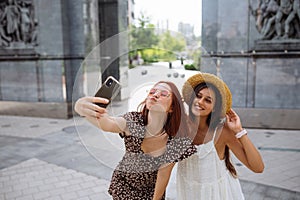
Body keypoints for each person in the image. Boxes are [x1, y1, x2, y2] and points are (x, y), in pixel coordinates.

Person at [75, 81, 196, 200]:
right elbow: (108, 123)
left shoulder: (175, 139)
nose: (155, 95)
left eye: (164, 94)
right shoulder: (133, 121)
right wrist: (80, 107)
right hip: (123, 186)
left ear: (172, 108)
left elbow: (164, 174)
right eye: (152, 91)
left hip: (150, 192)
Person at [177, 73, 265, 200]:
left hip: (219, 194)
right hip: (187, 192)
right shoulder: (179, 127)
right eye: (198, 96)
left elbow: (258, 168)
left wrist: (239, 131)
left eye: (208, 100)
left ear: (214, 108)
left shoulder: (222, 132)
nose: (200, 102)